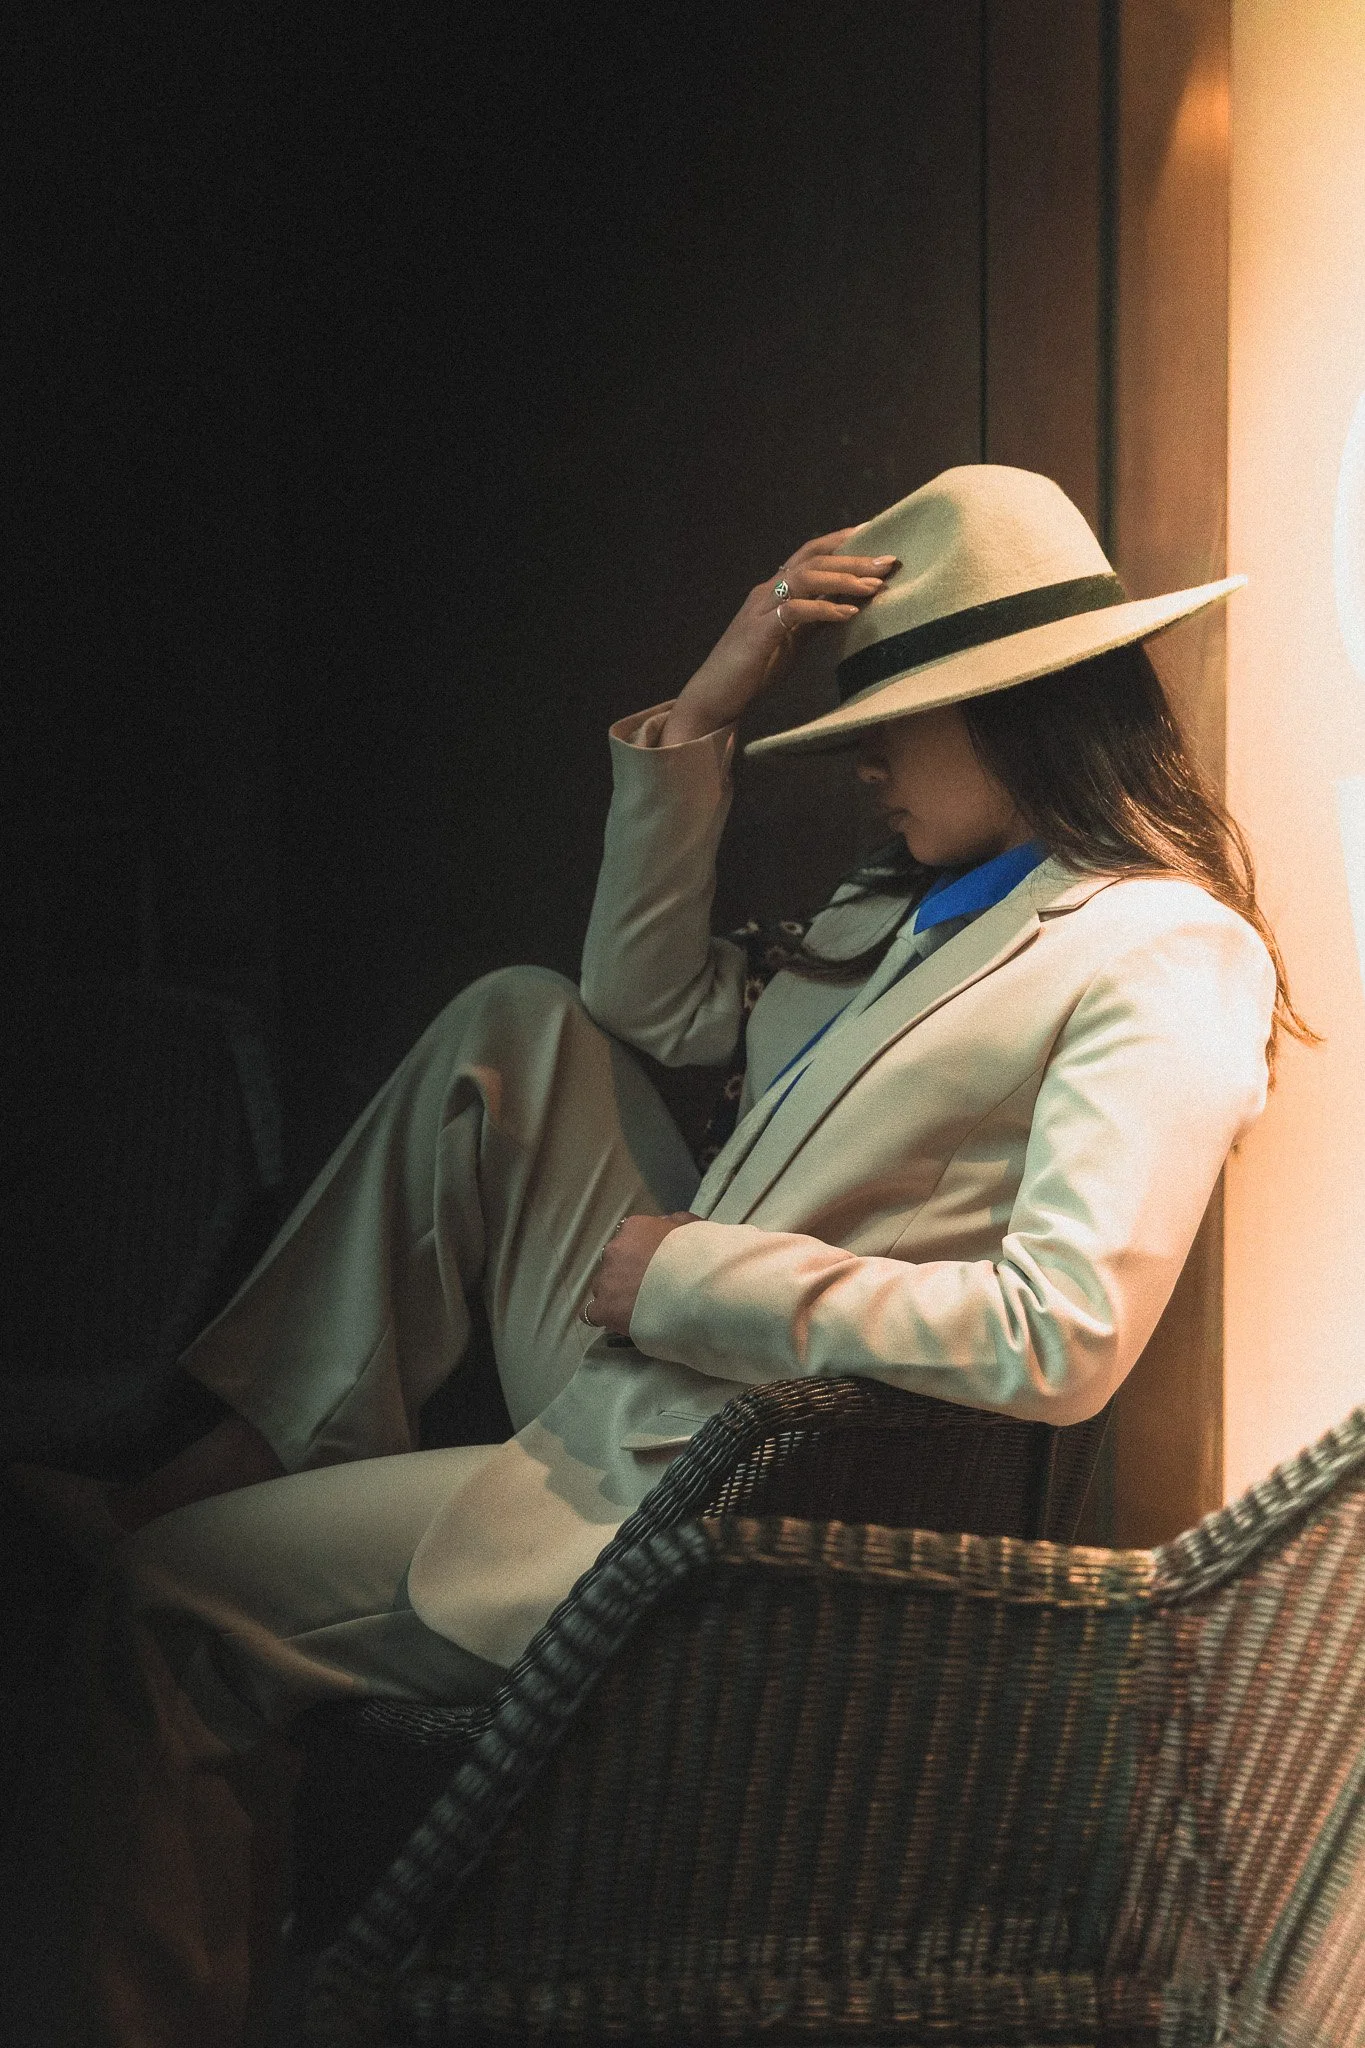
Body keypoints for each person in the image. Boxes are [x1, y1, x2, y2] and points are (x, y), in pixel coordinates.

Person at [4, 464, 1306, 2046]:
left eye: (897, 723)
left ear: (1016, 711)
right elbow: (639, 1005)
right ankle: (240, 1454)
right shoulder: (910, 908)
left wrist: (691, 1277)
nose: (869, 761)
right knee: (518, 1021)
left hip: (724, 1476)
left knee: (157, 1611)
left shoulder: (1160, 946)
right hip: (652, 1369)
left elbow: (1065, 1331)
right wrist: (705, 709)